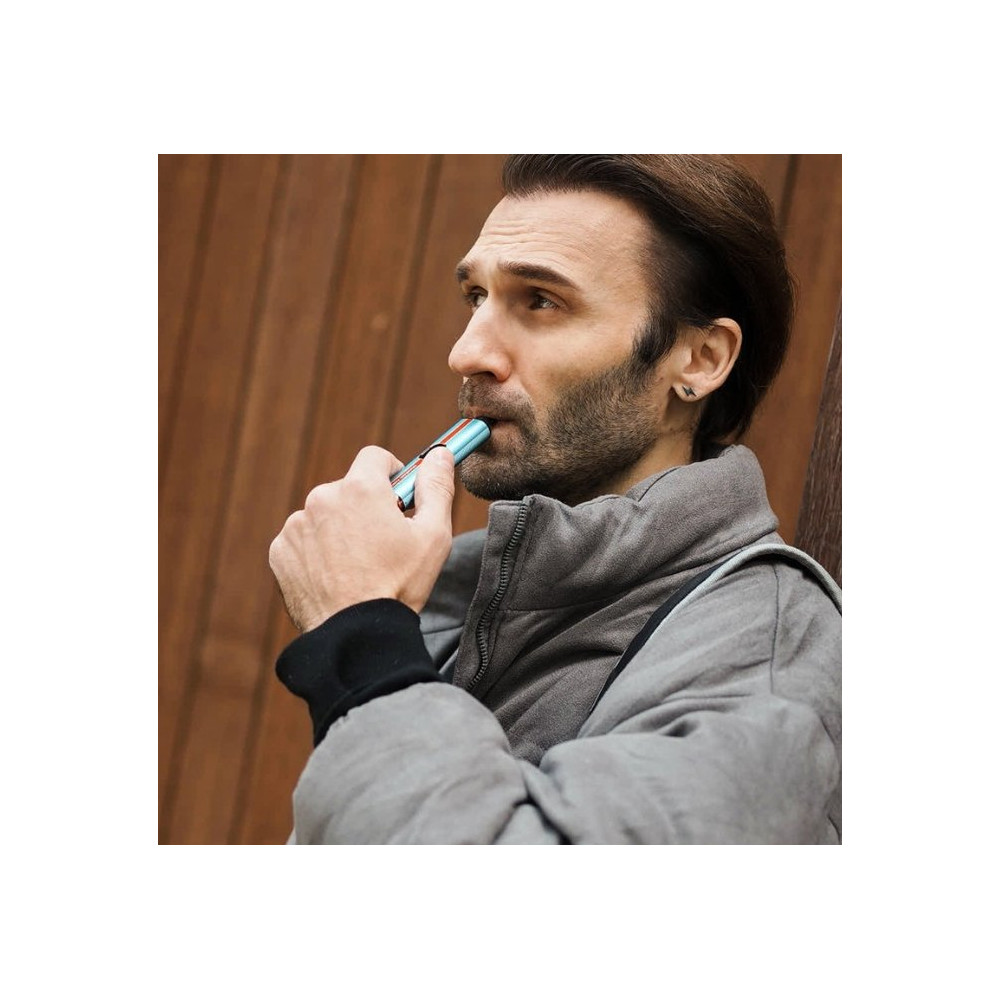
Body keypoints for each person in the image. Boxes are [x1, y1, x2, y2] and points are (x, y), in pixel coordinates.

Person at [267, 155, 842, 844]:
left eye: (540, 301)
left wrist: (362, 643)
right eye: (476, 296)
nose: (467, 353)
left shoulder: (762, 656)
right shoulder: (457, 598)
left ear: (700, 359)